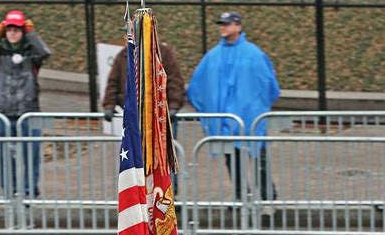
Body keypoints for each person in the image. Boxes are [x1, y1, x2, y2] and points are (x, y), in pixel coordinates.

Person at [187, 11, 280, 202]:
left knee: (259, 157)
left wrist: (258, 107)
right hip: (226, 120)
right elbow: (197, 86)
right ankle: (240, 195)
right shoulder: (213, 56)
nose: (223, 27)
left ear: (238, 26)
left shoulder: (253, 54)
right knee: (232, 158)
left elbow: (268, 84)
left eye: (227, 24)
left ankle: (267, 195)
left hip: (250, 118)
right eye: (221, 24)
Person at [0, 10, 51, 199]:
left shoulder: (32, 53)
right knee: (4, 155)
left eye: (16, 29)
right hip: (4, 112)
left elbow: (45, 52)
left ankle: (29, 190)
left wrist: (31, 35)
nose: (12, 33)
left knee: (31, 154)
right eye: (9, 29)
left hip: (29, 112)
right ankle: (9, 190)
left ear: (23, 31)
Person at [103, 39, 185, 125]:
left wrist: (174, 106)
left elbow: (174, 81)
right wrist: (109, 106)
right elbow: (113, 83)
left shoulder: (164, 53)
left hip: (160, 114)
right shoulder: (123, 55)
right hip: (133, 114)